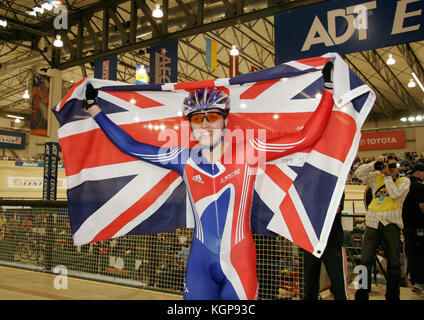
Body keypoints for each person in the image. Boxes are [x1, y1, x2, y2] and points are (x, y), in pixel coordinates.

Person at [82, 62, 335, 300]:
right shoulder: (183, 159)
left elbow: (305, 138)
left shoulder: (248, 151)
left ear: (225, 120)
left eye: (211, 118)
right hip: (200, 264)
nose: (205, 126)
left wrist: (329, 92)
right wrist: (95, 109)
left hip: (240, 262)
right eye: (196, 119)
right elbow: (130, 145)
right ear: (189, 125)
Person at [354, 155, 410, 300]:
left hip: (391, 225)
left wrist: (386, 176)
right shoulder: (376, 177)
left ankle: (392, 296)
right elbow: (358, 173)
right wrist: (375, 164)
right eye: (387, 165)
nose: (389, 169)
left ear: (398, 167)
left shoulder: (404, 181)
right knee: (365, 261)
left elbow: (395, 194)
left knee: (394, 264)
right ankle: (362, 293)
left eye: (392, 166)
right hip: (372, 223)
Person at [302, 192, 349, 300]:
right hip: (311, 241)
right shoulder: (308, 185)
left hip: (332, 242)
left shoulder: (336, 183)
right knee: (309, 287)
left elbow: (335, 209)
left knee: (339, 286)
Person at [401, 164, 424, 294]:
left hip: (406, 225)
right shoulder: (421, 187)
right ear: (419, 173)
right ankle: (420, 282)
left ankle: (413, 279)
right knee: (421, 254)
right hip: (419, 226)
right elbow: (422, 205)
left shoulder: (403, 186)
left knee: (411, 253)